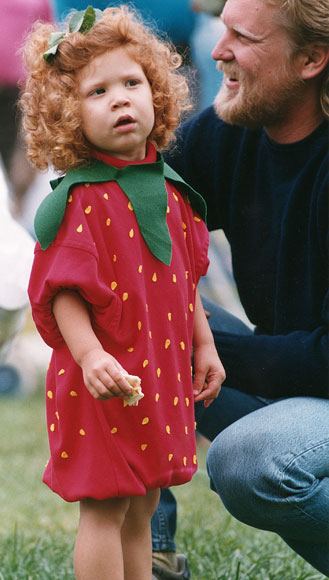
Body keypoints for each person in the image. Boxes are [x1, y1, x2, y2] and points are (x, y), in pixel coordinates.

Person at [19, 6, 224, 580]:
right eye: (97, 91)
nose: (120, 99)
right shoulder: (81, 200)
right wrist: (89, 356)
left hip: (154, 373)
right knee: (107, 505)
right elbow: (63, 294)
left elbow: (185, 281)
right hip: (103, 379)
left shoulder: (172, 192)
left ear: (156, 91)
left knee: (145, 502)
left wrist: (203, 346)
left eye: (132, 83)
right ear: (66, 114)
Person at [151, 0, 329, 578]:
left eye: (243, 37)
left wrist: (198, 345)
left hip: (318, 385)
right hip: (292, 384)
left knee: (251, 459)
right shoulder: (236, 127)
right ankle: (151, 552)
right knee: (116, 306)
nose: (216, 48)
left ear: (311, 58)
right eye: (220, 25)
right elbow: (132, 208)